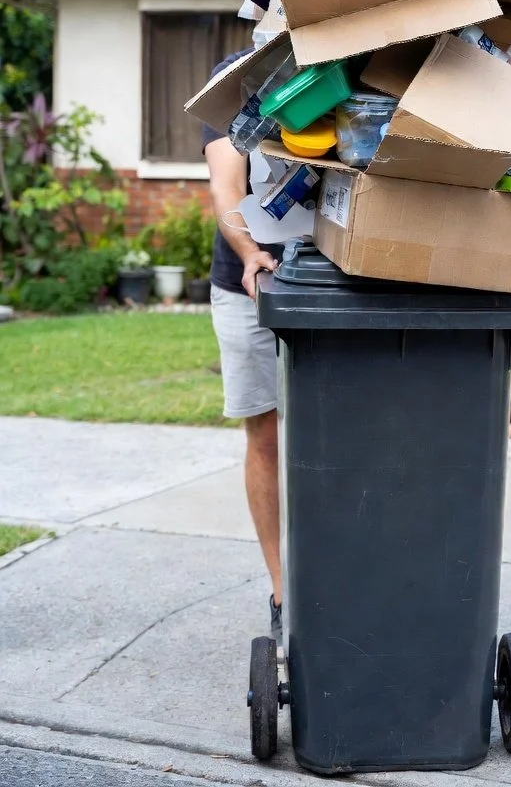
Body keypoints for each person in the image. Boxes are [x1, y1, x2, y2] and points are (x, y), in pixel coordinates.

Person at [202, 45, 284, 646]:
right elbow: (226, 182)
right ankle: (285, 589)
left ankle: (345, 572)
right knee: (268, 437)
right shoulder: (237, 78)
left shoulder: (360, 58)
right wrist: (250, 252)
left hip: (339, 285)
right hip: (247, 283)